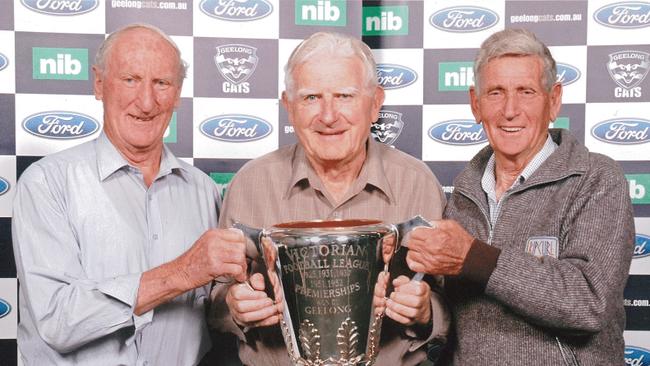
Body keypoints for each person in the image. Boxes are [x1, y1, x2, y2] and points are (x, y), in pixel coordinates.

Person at [12, 23, 247, 366]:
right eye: (131, 80)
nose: (147, 101)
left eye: (161, 83)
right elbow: (57, 321)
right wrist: (182, 272)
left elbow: (215, 313)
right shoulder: (47, 183)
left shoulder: (203, 190)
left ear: (178, 92)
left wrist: (244, 300)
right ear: (99, 84)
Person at [208, 32, 449, 366]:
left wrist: (426, 311)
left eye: (344, 96)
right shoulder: (250, 184)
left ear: (375, 103)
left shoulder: (418, 184)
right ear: (288, 107)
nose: (329, 115)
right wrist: (233, 307)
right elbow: (214, 301)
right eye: (310, 98)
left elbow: (452, 301)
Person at [405, 28, 635, 365]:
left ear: (553, 100)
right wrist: (423, 309)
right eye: (495, 93)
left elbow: (589, 302)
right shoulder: (464, 191)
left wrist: (475, 258)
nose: (510, 110)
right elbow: (452, 311)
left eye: (526, 92)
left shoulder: (596, 179)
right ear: (475, 104)